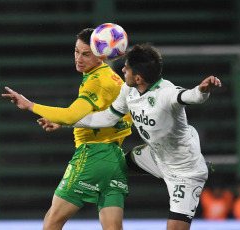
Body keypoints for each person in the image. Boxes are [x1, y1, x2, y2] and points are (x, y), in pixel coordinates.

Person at [56, 43, 222, 230]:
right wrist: (64, 121)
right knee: (113, 166)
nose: (123, 69)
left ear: (139, 77)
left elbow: (190, 96)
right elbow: (108, 117)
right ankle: (108, 208)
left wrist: (202, 91)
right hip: (156, 156)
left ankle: (203, 167)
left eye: (126, 67)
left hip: (185, 171)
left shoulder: (166, 94)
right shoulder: (129, 90)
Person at [2, 28, 132, 230]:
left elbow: (72, 114)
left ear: (101, 55)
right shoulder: (113, 77)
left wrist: (30, 105)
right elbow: (114, 119)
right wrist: (65, 123)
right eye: (76, 51)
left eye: (86, 54)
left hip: (92, 155)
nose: (79, 58)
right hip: (115, 159)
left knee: (52, 220)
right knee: (113, 227)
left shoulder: (96, 82)